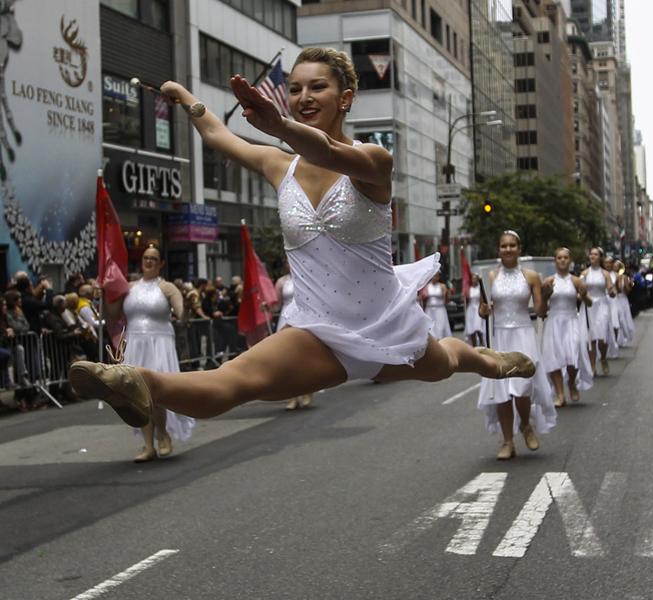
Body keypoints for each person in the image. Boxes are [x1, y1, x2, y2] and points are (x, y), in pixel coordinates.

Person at [69, 47, 531, 427]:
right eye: (294, 89)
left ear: (345, 98)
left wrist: (280, 128)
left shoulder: (373, 160)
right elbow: (216, 134)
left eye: (317, 87)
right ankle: (133, 381)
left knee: (446, 363)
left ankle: (490, 362)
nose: (304, 96)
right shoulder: (278, 165)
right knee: (235, 382)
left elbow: (325, 150)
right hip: (320, 329)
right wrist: (184, 96)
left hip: (388, 323)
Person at [104, 246, 196, 462]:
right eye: (146, 258)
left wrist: (189, 307)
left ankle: (163, 434)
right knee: (137, 394)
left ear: (161, 263)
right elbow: (113, 316)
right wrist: (105, 294)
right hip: (134, 342)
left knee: (157, 393)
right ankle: (147, 445)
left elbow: (181, 315)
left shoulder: (167, 287)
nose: (149, 261)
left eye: (154, 258)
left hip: (160, 343)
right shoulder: (129, 287)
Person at [478, 231, 555, 459]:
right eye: (504, 246)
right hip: (500, 337)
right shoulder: (490, 276)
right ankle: (508, 442)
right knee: (501, 391)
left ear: (519, 249)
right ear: (499, 249)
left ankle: (525, 424)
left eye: (512, 245)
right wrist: (482, 311)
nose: (508, 249)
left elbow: (540, 312)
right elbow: (485, 310)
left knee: (522, 389)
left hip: (523, 336)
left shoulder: (531, 276)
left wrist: (547, 295)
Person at [542, 247, 593, 407]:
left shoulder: (576, 280)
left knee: (573, 354)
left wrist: (584, 295)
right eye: (559, 258)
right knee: (554, 358)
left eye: (565, 257)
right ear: (555, 261)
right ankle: (560, 394)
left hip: (571, 320)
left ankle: (571, 383)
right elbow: (542, 306)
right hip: (554, 321)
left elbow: (589, 303)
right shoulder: (548, 281)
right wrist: (546, 294)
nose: (562, 260)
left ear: (570, 260)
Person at [274, 268, 313, 410]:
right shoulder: (282, 281)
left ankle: (307, 390)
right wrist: (267, 307)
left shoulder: (307, 276)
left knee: (303, 358)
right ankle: (291, 396)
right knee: (285, 359)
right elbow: (276, 305)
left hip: (302, 316)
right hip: (285, 318)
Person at [581, 248, 616, 375]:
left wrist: (612, 292)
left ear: (600, 257)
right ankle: (592, 365)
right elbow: (580, 291)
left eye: (595, 254)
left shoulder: (605, 274)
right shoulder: (584, 273)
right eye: (591, 254)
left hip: (602, 304)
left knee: (602, 337)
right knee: (591, 338)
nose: (593, 256)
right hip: (589, 305)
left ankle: (603, 358)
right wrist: (582, 295)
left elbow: (611, 290)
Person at [421, 272, 452, 340]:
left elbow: (446, 300)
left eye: (436, 276)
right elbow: (423, 300)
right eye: (434, 276)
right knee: (431, 328)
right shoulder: (427, 286)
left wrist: (446, 294)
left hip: (440, 309)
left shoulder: (442, 286)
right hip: (430, 309)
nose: (435, 278)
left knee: (440, 327)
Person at [464, 273, 485, 347]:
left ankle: (482, 343)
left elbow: (482, 299)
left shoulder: (480, 288)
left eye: (475, 279)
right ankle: (474, 345)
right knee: (471, 329)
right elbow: (467, 301)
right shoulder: (469, 289)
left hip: (477, 308)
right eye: (473, 279)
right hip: (471, 309)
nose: (474, 280)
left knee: (478, 327)